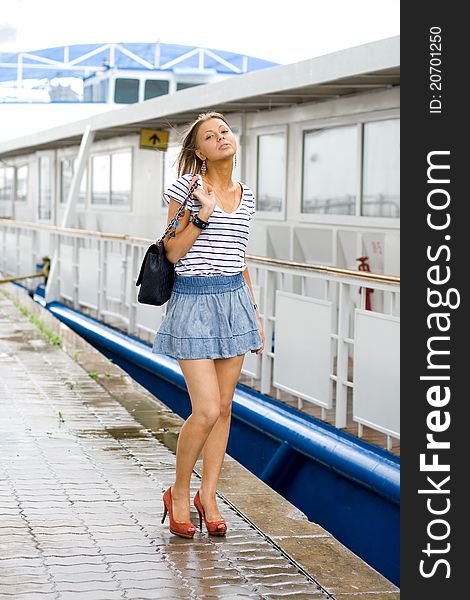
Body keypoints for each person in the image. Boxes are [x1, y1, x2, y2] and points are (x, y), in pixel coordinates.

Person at [153, 111, 265, 538]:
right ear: (198, 151)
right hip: (193, 301)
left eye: (225, 131)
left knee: (225, 408)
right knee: (207, 408)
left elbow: (239, 256)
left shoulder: (248, 195)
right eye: (210, 135)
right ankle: (179, 492)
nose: (221, 138)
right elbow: (171, 254)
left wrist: (252, 311)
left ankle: (209, 495)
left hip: (234, 299)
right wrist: (202, 213)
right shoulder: (187, 189)